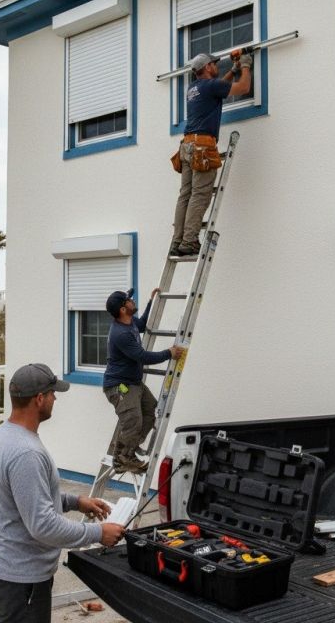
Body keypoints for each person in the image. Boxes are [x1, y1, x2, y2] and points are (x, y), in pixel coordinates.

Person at [0, 362, 125, 623]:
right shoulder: (26, 452)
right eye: (52, 393)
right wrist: (98, 533)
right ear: (39, 399)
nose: (55, 398)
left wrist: (74, 501)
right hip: (19, 580)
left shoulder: (5, 435)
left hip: (9, 576)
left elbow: (25, 499)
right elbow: (42, 525)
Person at [171, 50, 252, 256]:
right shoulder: (210, 86)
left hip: (186, 146)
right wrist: (245, 66)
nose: (217, 66)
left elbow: (219, 89)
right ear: (207, 67)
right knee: (200, 195)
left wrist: (231, 71)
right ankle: (189, 242)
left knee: (185, 195)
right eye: (215, 64)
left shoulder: (194, 88)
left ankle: (178, 241)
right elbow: (243, 88)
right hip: (202, 147)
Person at [103, 288, 182, 473]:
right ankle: (122, 459)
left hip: (133, 383)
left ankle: (129, 447)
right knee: (133, 420)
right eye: (129, 300)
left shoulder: (129, 323)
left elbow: (143, 324)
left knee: (150, 409)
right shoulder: (120, 334)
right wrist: (168, 353)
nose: (132, 301)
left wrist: (150, 302)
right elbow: (142, 356)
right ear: (123, 309)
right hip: (119, 386)